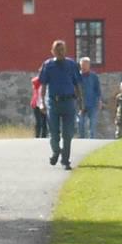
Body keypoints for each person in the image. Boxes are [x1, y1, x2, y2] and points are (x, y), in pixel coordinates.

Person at [37, 39, 84, 169]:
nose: (60, 52)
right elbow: (43, 85)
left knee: (68, 133)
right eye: (57, 50)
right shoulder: (48, 65)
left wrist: (81, 102)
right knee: (54, 133)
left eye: (62, 50)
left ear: (65, 50)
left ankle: (65, 161)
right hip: (53, 103)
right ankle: (57, 151)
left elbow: (77, 84)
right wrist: (41, 102)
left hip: (69, 102)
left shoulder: (72, 65)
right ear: (52, 52)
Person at [76, 56, 102, 138]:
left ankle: (92, 140)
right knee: (80, 123)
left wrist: (99, 101)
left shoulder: (94, 76)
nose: (84, 67)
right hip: (80, 104)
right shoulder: (77, 76)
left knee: (92, 124)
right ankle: (82, 140)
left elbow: (97, 89)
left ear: (89, 65)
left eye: (85, 65)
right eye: (82, 65)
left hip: (92, 103)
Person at [29, 74, 47, 139]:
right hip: (37, 104)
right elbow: (33, 81)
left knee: (44, 121)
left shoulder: (48, 82)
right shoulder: (37, 82)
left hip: (44, 104)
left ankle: (44, 136)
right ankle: (37, 136)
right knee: (38, 121)